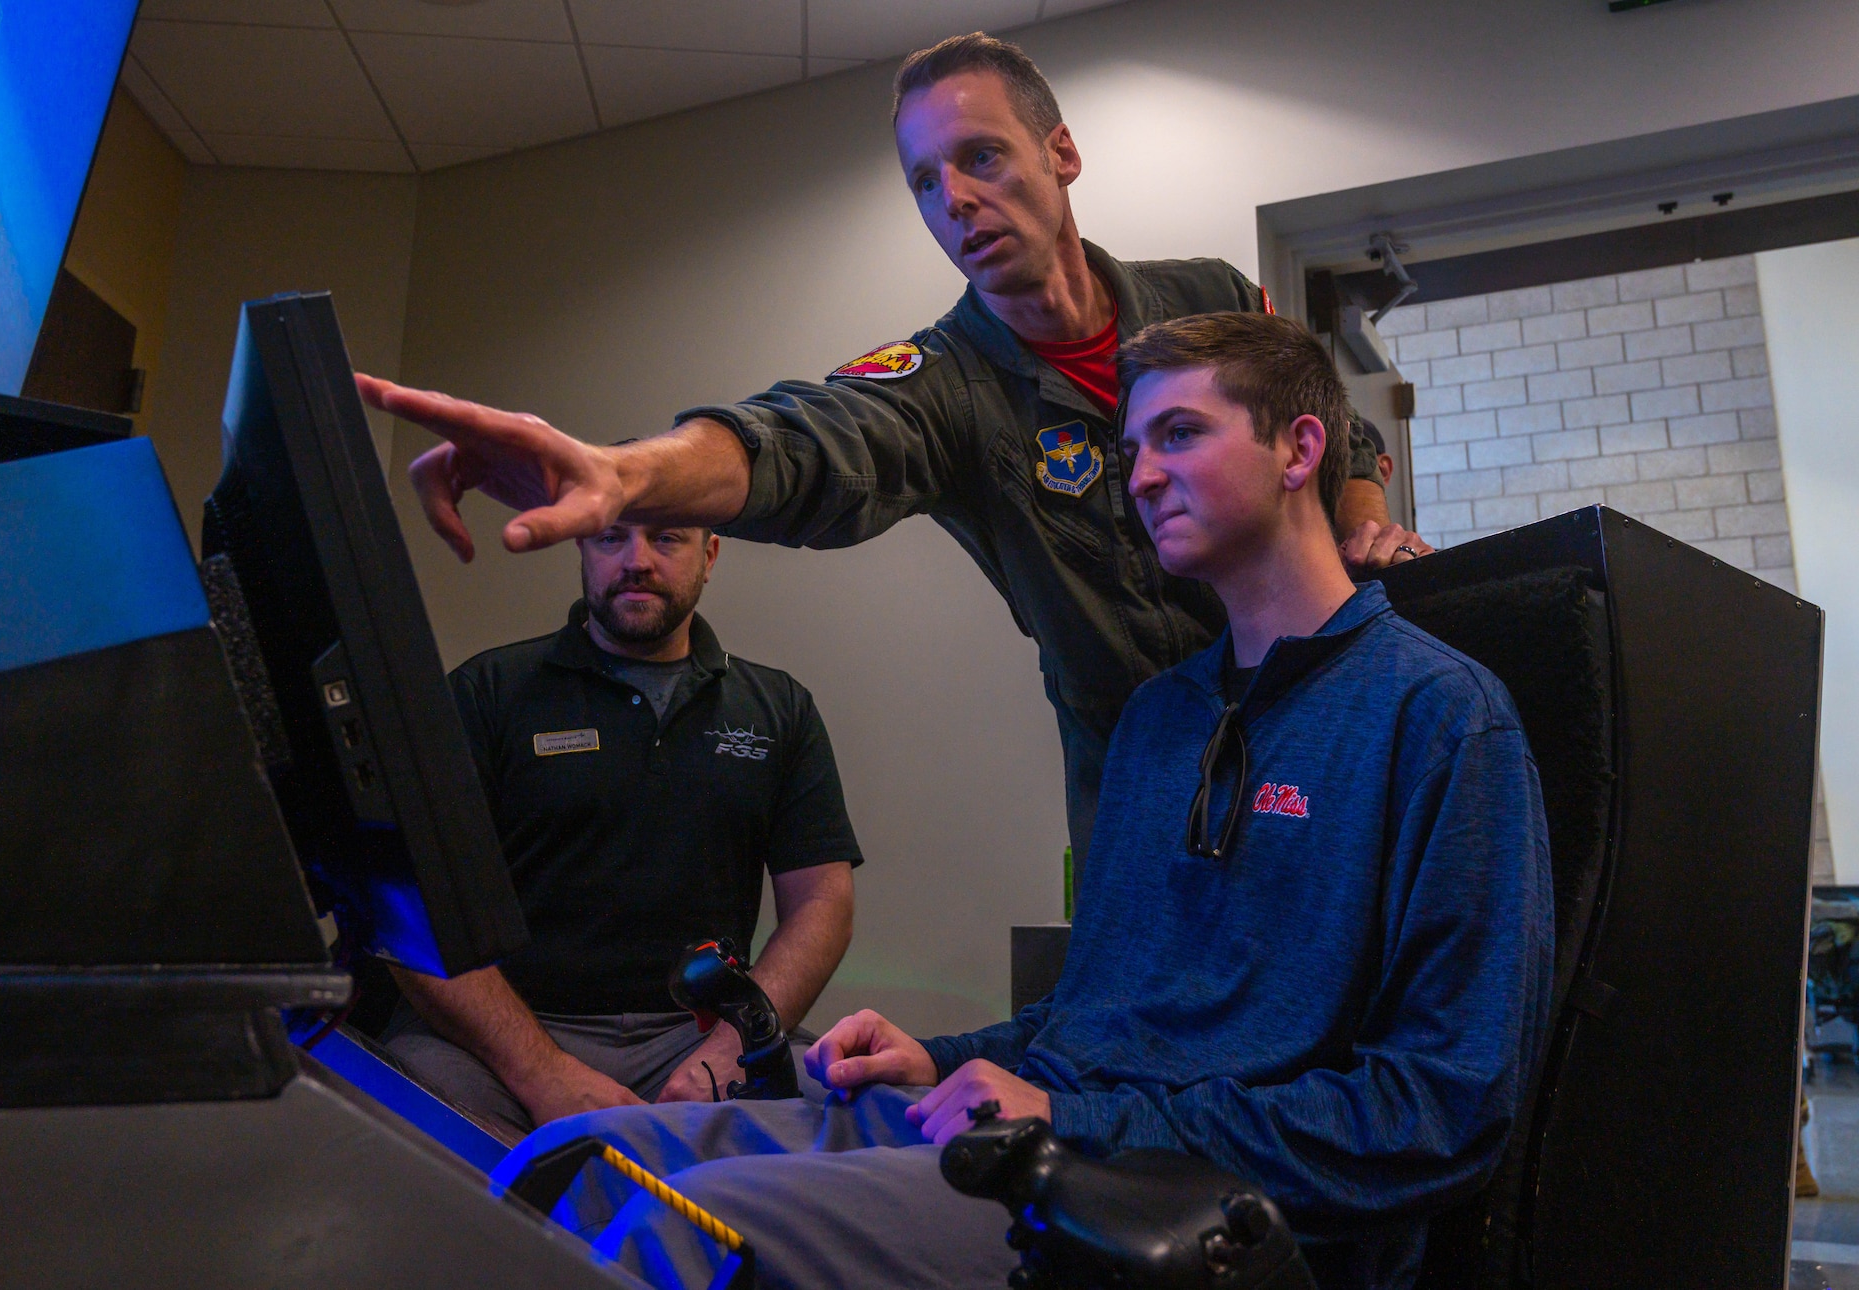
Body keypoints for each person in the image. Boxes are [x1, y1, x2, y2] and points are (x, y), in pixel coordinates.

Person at [513, 312, 1552, 1290]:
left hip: (1186, 1202)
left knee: (682, 1230)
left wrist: (1073, 1117)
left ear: (1299, 450)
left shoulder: (1438, 716)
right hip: (1059, 1134)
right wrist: (938, 1060)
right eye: (1131, 448)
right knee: (573, 1162)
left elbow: (1438, 1113)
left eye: (1180, 434)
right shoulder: (1159, 719)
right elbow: (1091, 1022)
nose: (1140, 477)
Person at [354, 32, 1434, 875]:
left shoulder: (1208, 298)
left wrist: (1358, 526)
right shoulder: (940, 384)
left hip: (1327, 720)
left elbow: (1331, 425)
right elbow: (809, 443)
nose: (953, 199)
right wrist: (626, 476)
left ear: (1060, 154)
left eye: (980, 157)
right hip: (1150, 787)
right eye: (923, 181)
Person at [384, 520, 862, 1138]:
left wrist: (724, 1056)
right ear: (581, 548)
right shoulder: (486, 693)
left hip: (697, 1039)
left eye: (667, 538)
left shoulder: (779, 710)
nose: (636, 559)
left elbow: (823, 902)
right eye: (612, 538)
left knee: (860, 1109)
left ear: (709, 554)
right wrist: (542, 1073)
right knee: (410, 1122)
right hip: (502, 1042)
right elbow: (406, 905)